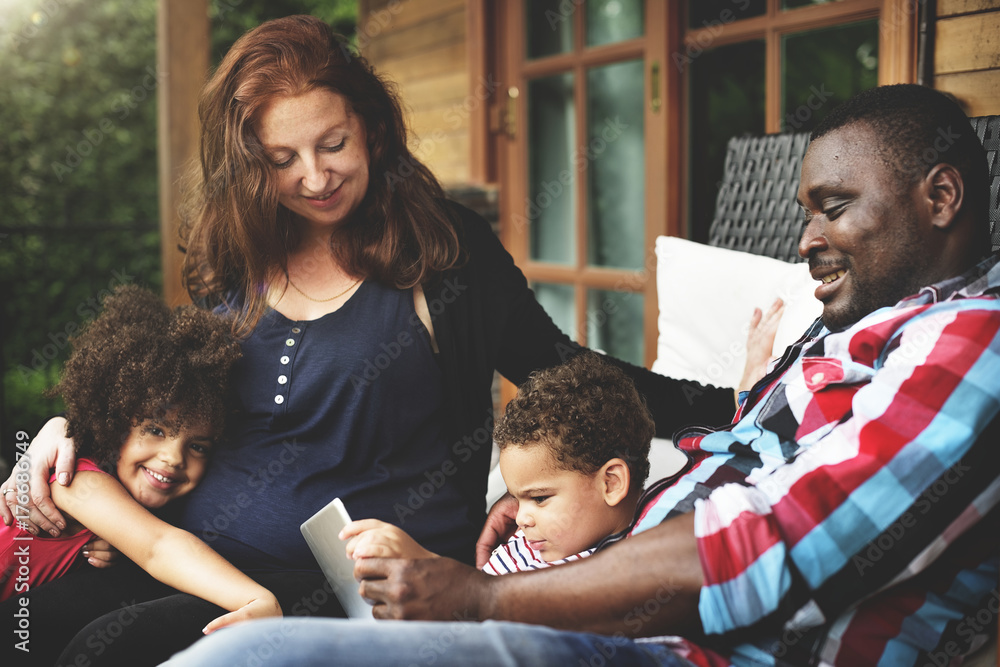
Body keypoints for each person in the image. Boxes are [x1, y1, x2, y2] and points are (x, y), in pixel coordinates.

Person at [162, 84, 1000, 667]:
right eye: (807, 212)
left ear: (942, 196)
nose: (807, 240)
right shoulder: (855, 330)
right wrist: (550, 493)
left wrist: (479, 600)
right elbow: (744, 449)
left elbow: (765, 544)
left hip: (678, 647)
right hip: (588, 584)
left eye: (835, 206)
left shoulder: (972, 339)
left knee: (250, 654)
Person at [0, 15, 745, 666]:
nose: (316, 177)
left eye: (333, 144)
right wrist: (59, 430)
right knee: (26, 627)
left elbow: (560, 370)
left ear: (373, 128)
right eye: (282, 160)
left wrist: (741, 401)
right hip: (187, 554)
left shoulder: (444, 253)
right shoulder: (236, 257)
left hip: (350, 584)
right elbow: (160, 399)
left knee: (109, 650)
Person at [0, 285, 281, 631]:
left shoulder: (113, 507)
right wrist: (256, 598)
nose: (173, 457)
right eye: (157, 430)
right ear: (116, 422)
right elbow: (157, 546)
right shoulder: (72, 479)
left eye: (198, 446)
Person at [342, 351, 656, 573]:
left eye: (539, 498)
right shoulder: (528, 547)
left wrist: (422, 564)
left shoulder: (630, 570)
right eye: (517, 498)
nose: (520, 519)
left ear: (611, 482)